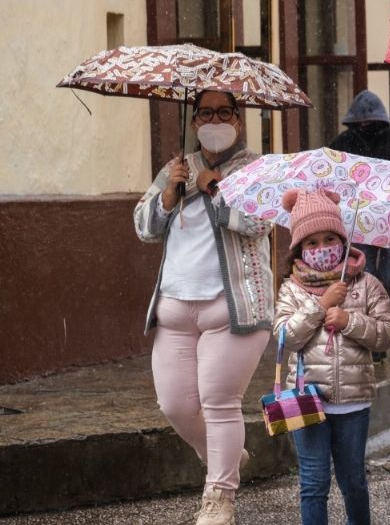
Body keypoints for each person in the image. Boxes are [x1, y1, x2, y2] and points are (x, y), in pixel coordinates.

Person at [134, 90, 273, 525]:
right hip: (175, 308)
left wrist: (211, 187)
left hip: (233, 309)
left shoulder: (256, 169)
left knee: (218, 403)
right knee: (175, 405)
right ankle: (224, 457)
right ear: (194, 122)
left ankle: (219, 499)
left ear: (238, 119)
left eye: (224, 112)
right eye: (206, 113)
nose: (215, 119)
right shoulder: (176, 168)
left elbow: (258, 223)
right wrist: (170, 195)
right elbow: (143, 226)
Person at [272, 188, 390, 525]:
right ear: (299, 248)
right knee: (313, 484)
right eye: (311, 243)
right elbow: (285, 338)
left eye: (329, 239)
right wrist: (321, 304)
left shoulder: (367, 284)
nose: (321, 248)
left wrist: (350, 321)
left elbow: (388, 333)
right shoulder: (291, 289)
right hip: (308, 401)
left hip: (352, 403)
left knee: (353, 482)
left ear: (343, 241)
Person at [328, 90, 390, 361]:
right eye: (362, 124)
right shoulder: (342, 144)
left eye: (370, 123)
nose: (366, 128)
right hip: (358, 222)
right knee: (365, 278)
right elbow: (330, 182)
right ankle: (373, 339)